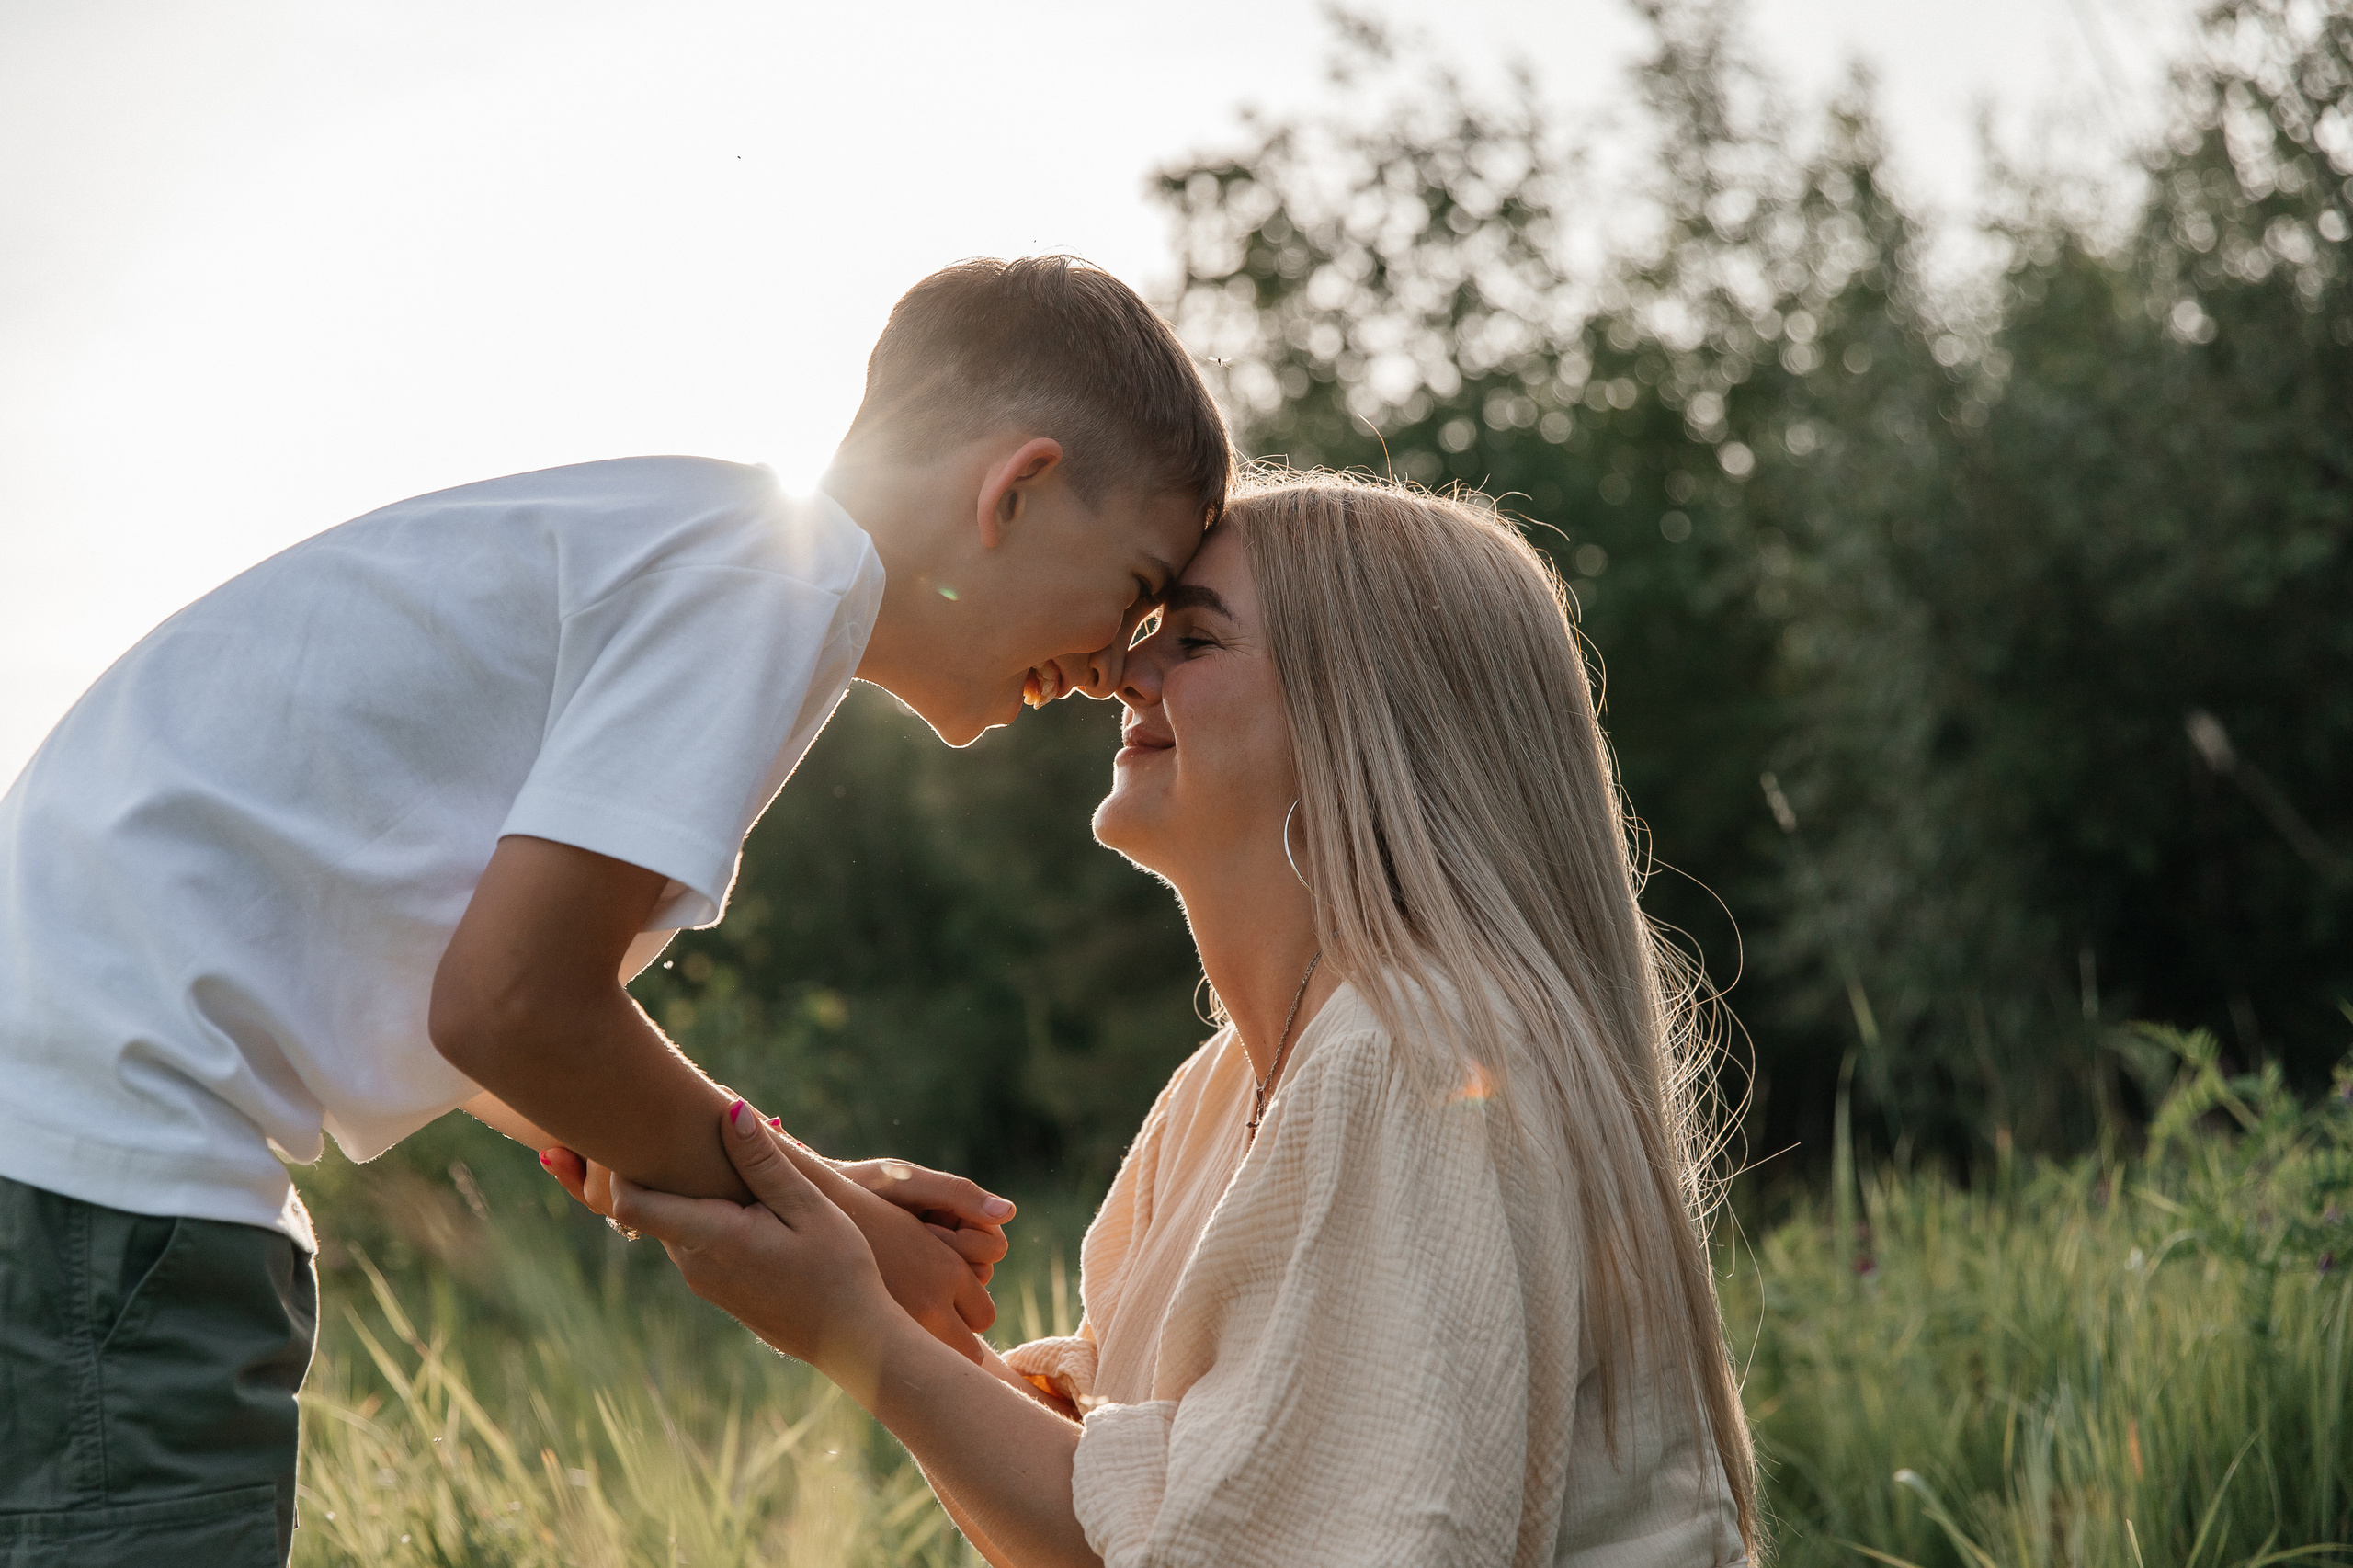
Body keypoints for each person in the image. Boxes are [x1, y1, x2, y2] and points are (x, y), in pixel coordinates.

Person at [0, 255, 1230, 1565]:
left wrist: (807, 1185)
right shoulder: (770, 581)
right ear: (1018, 488)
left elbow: (493, 1026)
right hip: (111, 1198)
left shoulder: (714, 554)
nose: (1117, 665)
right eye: (1139, 586)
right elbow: (515, 1011)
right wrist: (857, 1242)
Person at [571, 471, 1760, 1566]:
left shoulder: (1413, 1058)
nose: (1121, 672)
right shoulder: (1227, 1087)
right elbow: (1138, 1519)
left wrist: (853, 1322)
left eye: (1192, 637)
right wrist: (822, 1231)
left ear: (1360, 714)